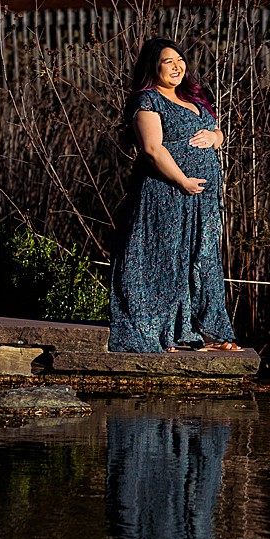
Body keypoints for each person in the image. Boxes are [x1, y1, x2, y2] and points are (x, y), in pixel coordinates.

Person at [109, 37, 242, 353]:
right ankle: (165, 333)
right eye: (169, 61)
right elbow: (152, 149)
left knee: (204, 257)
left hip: (204, 198)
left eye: (180, 60)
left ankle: (212, 333)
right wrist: (182, 180)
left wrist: (215, 136)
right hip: (167, 193)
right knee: (167, 260)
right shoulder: (148, 101)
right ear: (153, 66)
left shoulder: (194, 98)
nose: (177, 66)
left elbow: (217, 133)